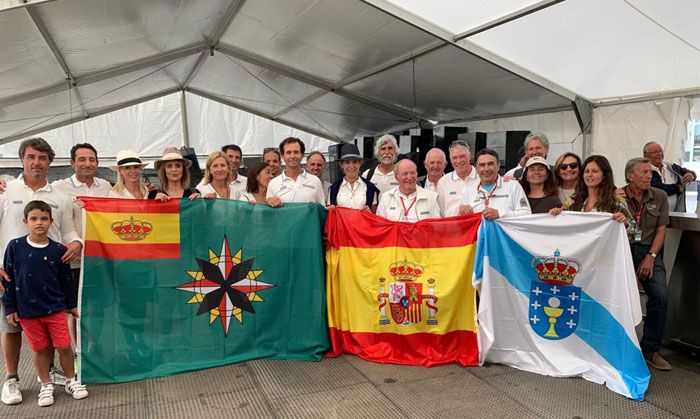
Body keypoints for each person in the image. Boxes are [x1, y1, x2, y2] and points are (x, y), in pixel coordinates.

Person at [0, 138, 82, 405]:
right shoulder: (5, 190)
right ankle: (11, 379)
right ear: (22, 159)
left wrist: (76, 243)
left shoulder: (60, 197)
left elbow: (69, 231)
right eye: (31, 157)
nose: (37, 162)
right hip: (11, 276)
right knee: (11, 328)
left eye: (43, 158)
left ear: (49, 162)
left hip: (50, 277)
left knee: (49, 330)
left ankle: (48, 376)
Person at [51, 143, 112, 350]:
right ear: (72, 163)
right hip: (74, 260)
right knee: (77, 308)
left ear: (97, 162)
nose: (88, 164)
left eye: (92, 159)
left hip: (100, 259)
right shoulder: (59, 187)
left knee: (100, 307)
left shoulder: (105, 186)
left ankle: (96, 348)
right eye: (82, 159)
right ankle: (79, 351)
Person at [623, 158, 671, 371]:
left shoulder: (659, 196)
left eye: (649, 173)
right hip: (621, 249)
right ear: (629, 176)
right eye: (642, 172)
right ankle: (621, 347)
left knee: (660, 295)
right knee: (619, 296)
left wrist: (651, 257)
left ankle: (651, 349)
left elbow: (661, 229)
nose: (647, 176)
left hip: (647, 249)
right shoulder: (617, 195)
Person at [550, 155, 631, 224]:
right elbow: (562, 222)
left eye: (595, 171)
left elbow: (634, 232)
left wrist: (625, 223)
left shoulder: (616, 200)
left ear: (604, 175)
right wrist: (555, 213)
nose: (590, 175)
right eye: (586, 171)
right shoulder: (574, 200)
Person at [461, 148, 531, 220]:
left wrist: (500, 214)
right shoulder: (469, 189)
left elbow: (526, 214)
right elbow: (463, 221)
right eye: (482, 165)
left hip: (504, 231)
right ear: (476, 168)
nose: (486, 169)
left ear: (498, 166)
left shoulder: (512, 186)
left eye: (490, 164)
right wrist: (464, 213)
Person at [376, 159, 440, 222]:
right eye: (405, 174)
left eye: (412, 173)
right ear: (396, 177)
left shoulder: (431, 197)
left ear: (417, 174)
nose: (409, 177)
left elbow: (436, 227)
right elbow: (380, 226)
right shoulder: (386, 198)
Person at [266, 137, 325, 204]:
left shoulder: (315, 181)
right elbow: (271, 212)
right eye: (288, 152)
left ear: (302, 155)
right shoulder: (273, 184)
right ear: (282, 156)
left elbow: (321, 210)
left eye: (296, 152)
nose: (292, 156)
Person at [643, 141, 697, 212]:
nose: (659, 154)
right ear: (645, 155)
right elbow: (656, 187)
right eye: (655, 152)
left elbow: (688, 172)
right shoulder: (644, 170)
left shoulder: (670, 166)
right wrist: (678, 188)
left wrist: (691, 175)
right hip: (654, 214)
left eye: (661, 151)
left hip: (674, 213)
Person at [328, 144, 379, 211]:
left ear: (360, 164)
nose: (351, 166)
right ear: (341, 165)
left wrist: (370, 212)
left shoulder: (371, 188)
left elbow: (375, 213)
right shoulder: (333, 189)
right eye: (347, 162)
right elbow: (329, 213)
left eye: (355, 162)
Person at [437, 140, 477, 217]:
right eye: (454, 158)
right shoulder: (443, 182)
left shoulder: (482, 177)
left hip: (478, 227)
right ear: (451, 160)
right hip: (453, 228)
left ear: (469, 156)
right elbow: (441, 211)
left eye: (462, 156)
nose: (458, 161)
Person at [362, 134, 399, 199]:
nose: (387, 152)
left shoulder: (403, 173)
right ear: (377, 153)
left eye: (390, 148)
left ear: (395, 152)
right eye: (383, 149)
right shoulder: (367, 175)